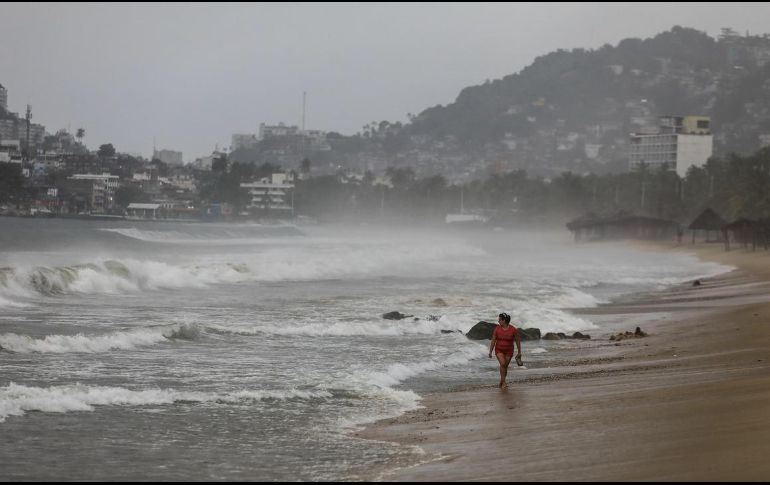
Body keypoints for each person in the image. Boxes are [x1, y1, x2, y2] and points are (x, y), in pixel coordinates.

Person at [488, 312, 521, 389]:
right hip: (499, 350)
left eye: (500, 320)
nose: (498, 321)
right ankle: (504, 382)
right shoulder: (497, 329)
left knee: (505, 366)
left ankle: (502, 381)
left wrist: (519, 352)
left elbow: (518, 341)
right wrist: (490, 351)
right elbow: (493, 340)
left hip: (509, 351)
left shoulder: (513, 330)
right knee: (503, 364)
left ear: (504, 321)